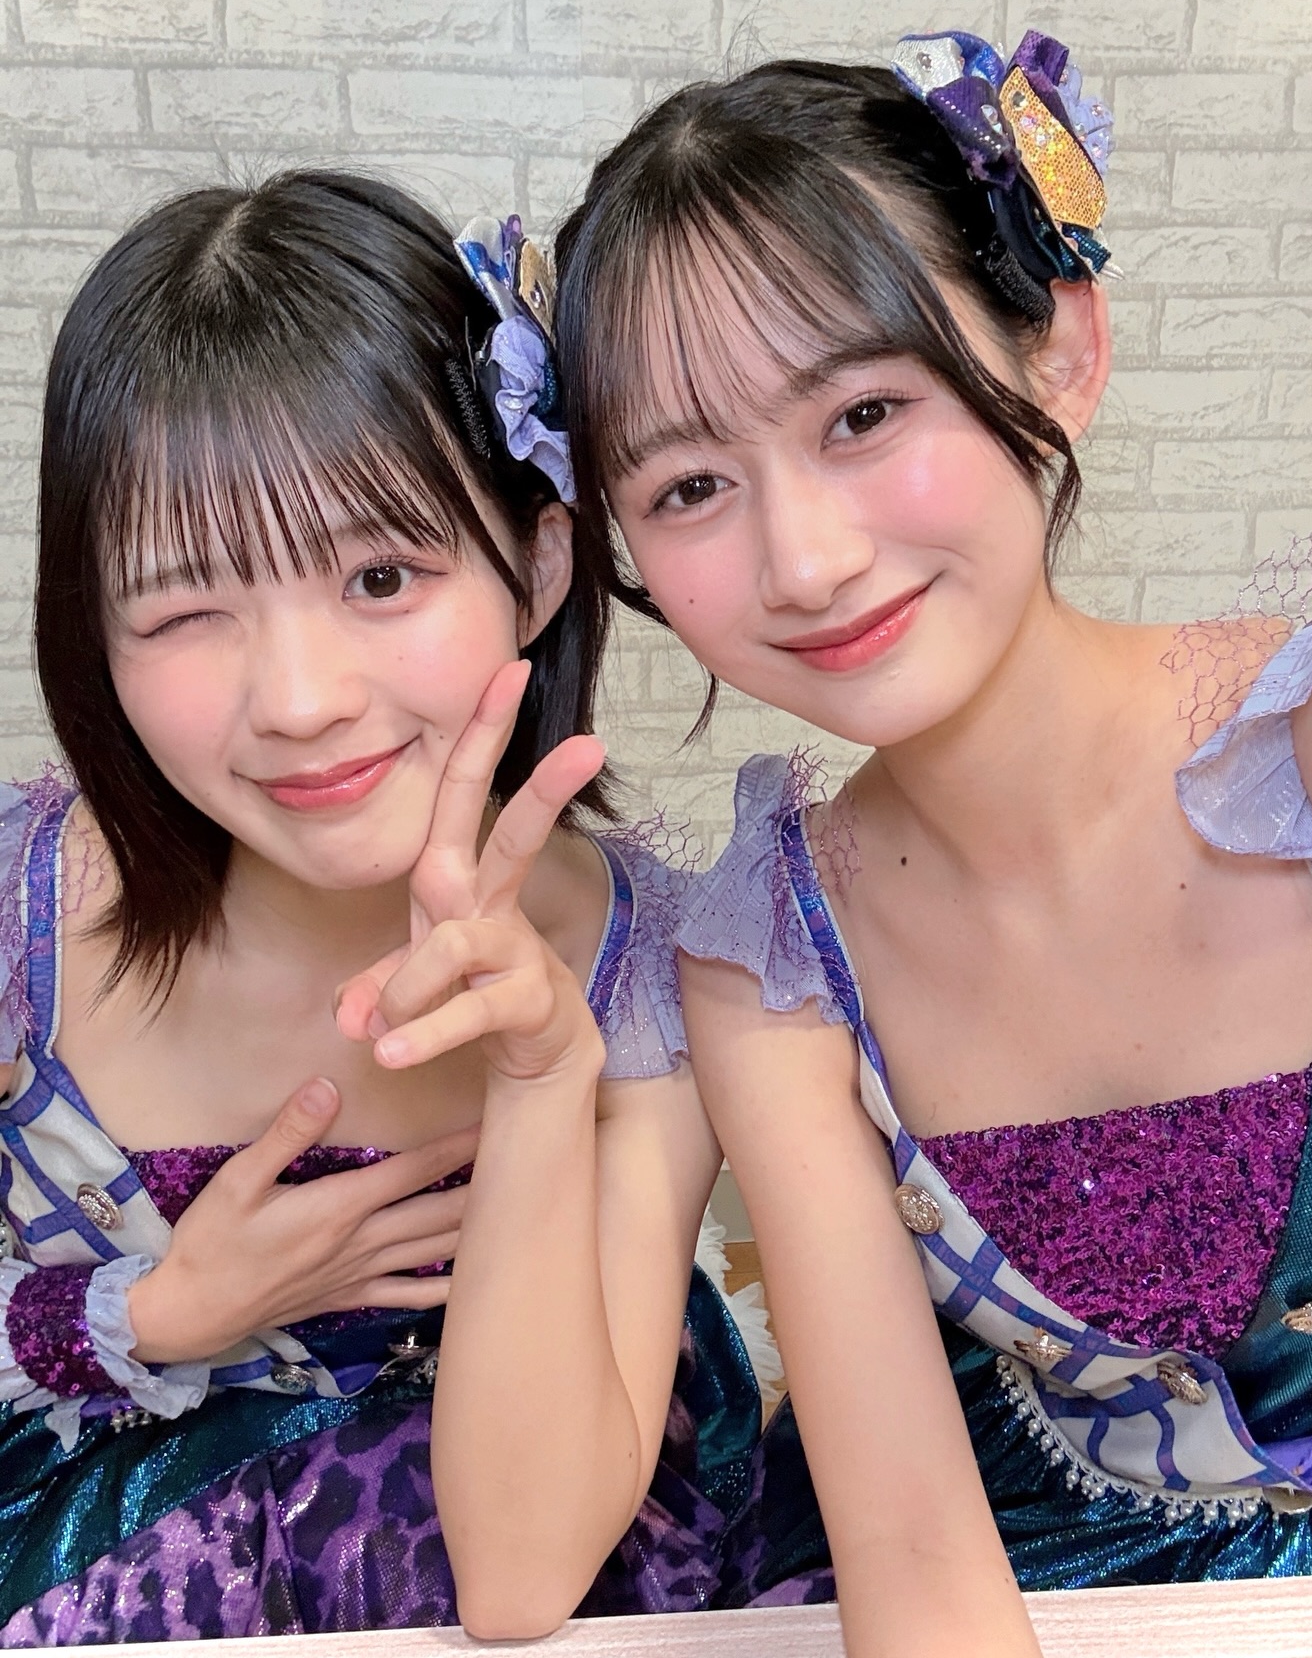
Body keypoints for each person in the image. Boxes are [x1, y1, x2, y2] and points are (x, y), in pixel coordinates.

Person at [553, 28, 1312, 1658]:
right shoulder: (766, 958)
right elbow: (913, 1548)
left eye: (863, 411)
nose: (805, 560)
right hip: (1040, 1592)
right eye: (686, 488)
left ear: (1063, 350)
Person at [0, 173, 758, 1644]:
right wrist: (140, 1318)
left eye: (380, 575)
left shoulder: (660, 963)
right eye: (185, 610)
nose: (299, 702)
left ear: (539, 563)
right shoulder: (27, 916)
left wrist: (543, 1080)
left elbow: (522, 1576)